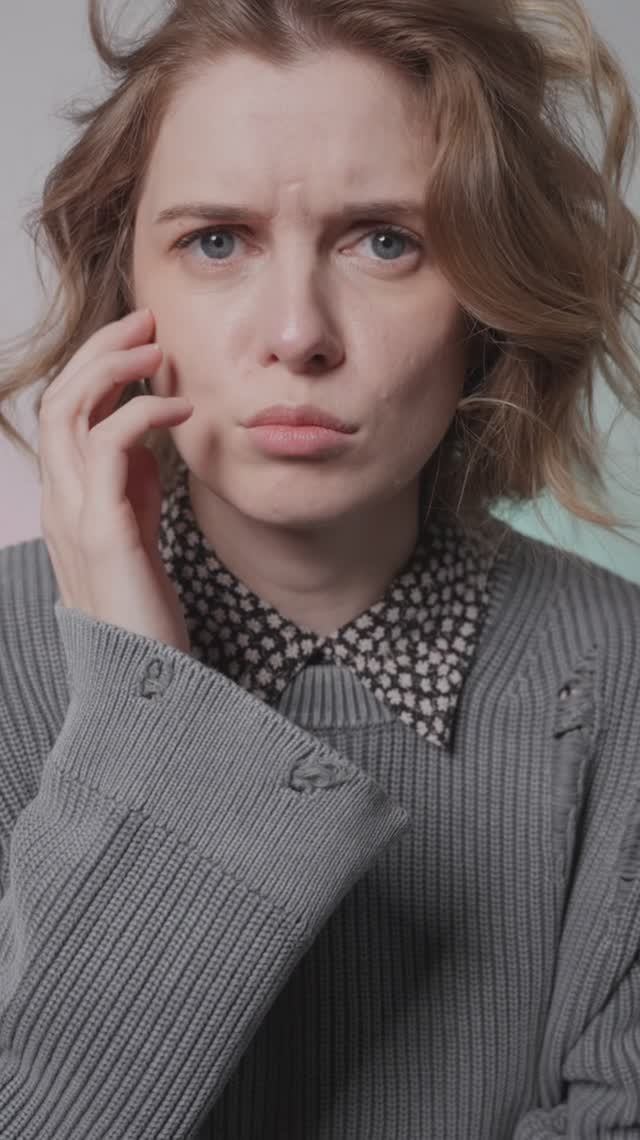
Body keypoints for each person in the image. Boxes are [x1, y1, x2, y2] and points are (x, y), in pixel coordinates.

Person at [0, 0, 639, 1136]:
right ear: (127, 286)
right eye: (217, 241)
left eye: (385, 241)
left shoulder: (618, 671)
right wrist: (147, 711)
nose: (297, 333)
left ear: (484, 302)